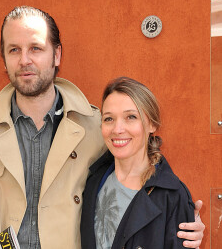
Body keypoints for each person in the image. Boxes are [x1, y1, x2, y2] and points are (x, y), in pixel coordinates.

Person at [0, 6, 204, 249]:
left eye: (35, 48)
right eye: (14, 50)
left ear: (56, 55)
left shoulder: (96, 127)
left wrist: (181, 217)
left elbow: (143, 167)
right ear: (4, 58)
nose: (24, 60)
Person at [81, 77, 200, 249]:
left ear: (151, 124)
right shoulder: (93, 180)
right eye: (109, 119)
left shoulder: (172, 195)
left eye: (131, 117)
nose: (117, 129)